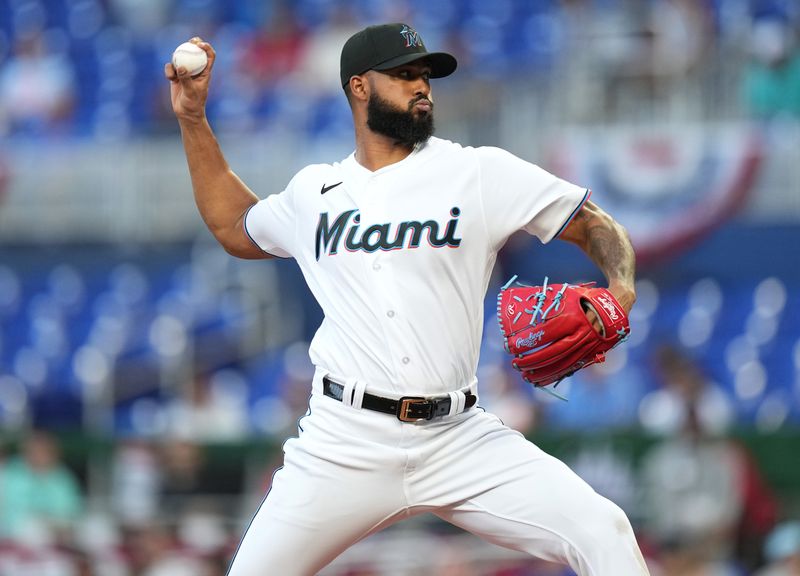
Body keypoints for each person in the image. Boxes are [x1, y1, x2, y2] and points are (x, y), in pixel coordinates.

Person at [165, 23, 648, 576]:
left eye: (425, 74)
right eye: (404, 74)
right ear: (359, 87)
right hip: (343, 442)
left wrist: (622, 288)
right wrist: (193, 120)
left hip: (460, 437)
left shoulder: (476, 171)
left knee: (604, 531)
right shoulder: (313, 193)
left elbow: (590, 224)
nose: (422, 86)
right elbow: (233, 224)